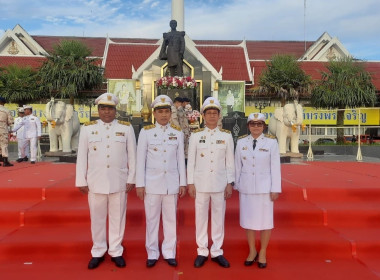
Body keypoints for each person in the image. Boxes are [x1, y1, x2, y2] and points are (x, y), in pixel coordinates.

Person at [75, 92, 136, 269]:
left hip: (119, 181)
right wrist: (81, 180)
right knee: (97, 218)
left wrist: (132, 177)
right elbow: (82, 156)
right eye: (103, 108)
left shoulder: (126, 128)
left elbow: (132, 155)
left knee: (118, 218)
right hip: (96, 181)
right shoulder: (88, 128)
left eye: (110, 108)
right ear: (98, 110)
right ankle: (98, 250)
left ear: (115, 110)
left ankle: (116, 250)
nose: (107, 112)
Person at [136, 95, 187, 268]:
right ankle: (152, 252)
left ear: (170, 113)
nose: (164, 115)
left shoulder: (177, 132)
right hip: (152, 183)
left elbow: (181, 159)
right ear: (154, 113)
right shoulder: (146, 132)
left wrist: (182, 182)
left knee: (170, 219)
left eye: (166, 111)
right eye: (160, 111)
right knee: (152, 219)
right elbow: (140, 160)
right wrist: (140, 184)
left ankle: (169, 252)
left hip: (171, 183)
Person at [187, 97, 235, 268]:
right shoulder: (196, 135)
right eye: (209, 113)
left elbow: (230, 162)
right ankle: (201, 250)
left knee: (218, 217)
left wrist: (230, 182)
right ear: (203, 116)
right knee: (200, 217)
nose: (212, 116)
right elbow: (190, 161)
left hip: (220, 183)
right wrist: (190, 183)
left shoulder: (226, 136)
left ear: (219, 115)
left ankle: (216, 250)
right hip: (200, 183)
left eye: (215, 113)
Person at [234, 112, 281, 269]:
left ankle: (262, 252)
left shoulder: (271, 143)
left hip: (265, 188)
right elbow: (237, 166)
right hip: (247, 188)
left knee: (266, 222)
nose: (256, 127)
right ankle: (252, 251)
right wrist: (237, 185)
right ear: (248, 126)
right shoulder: (241, 143)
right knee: (248, 221)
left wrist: (275, 188)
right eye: (253, 124)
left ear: (264, 126)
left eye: (259, 124)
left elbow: (275, 167)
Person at [0, 97, 14, 167]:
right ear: (3, 103)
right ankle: (5, 161)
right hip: (3, 130)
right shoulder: (6, 110)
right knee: (4, 145)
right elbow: (10, 122)